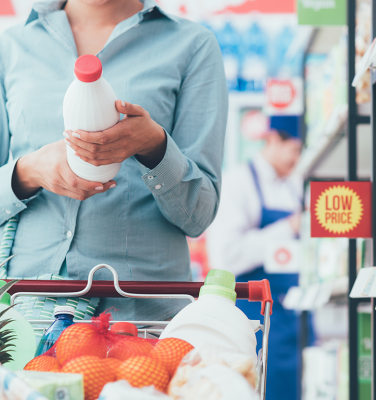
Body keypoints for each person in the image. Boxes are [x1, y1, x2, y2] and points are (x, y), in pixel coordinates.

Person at [0, 0, 228, 321]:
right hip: (24, 311)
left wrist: (154, 146)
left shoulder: (192, 45)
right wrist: (27, 172)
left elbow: (199, 216)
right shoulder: (11, 47)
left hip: (140, 316)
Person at [207, 115, 306, 400]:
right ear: (273, 139)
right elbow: (227, 256)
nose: (297, 160)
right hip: (255, 320)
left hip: (293, 319)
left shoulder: (293, 186)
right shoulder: (239, 182)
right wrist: (288, 228)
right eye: (295, 150)